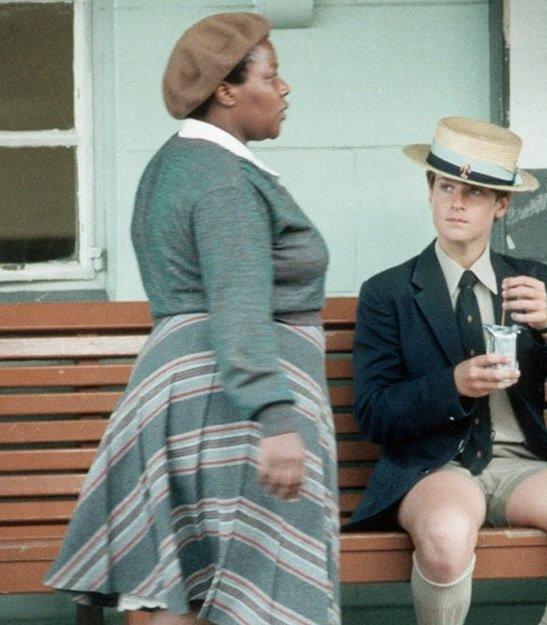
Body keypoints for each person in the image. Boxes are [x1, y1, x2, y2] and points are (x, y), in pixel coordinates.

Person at [43, 13, 340, 625]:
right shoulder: (225, 182)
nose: (284, 89)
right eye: (273, 76)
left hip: (194, 392)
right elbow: (236, 298)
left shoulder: (177, 165)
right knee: (245, 590)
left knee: (184, 586)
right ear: (227, 91)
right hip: (230, 404)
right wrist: (276, 417)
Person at [350, 117, 547, 625]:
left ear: (501, 204)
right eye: (446, 187)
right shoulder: (388, 293)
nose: (456, 203)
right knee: (443, 537)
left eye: (476, 192)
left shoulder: (538, 283)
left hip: (523, 465)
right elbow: (374, 414)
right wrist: (453, 385)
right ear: (430, 192)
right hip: (436, 465)